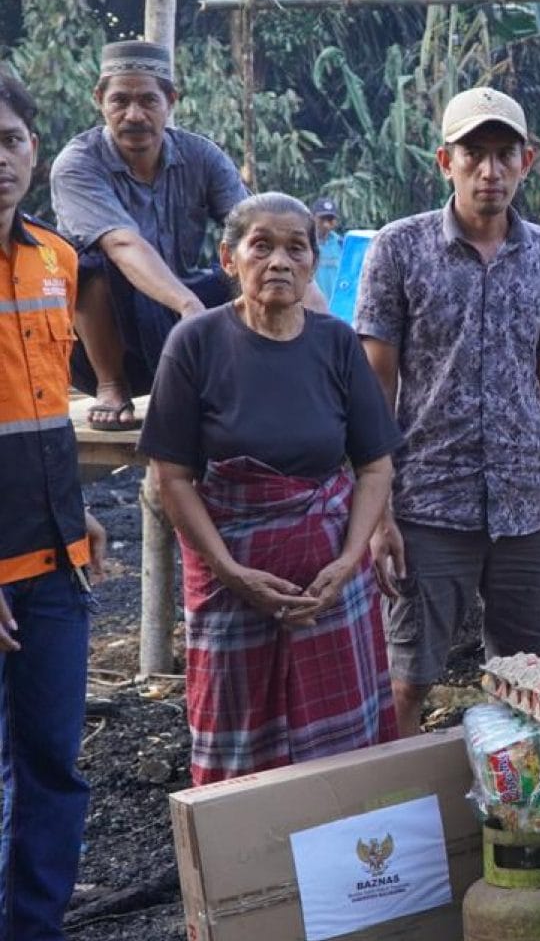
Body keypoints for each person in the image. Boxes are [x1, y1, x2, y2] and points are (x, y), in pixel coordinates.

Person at [139, 193, 400, 784]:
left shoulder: (336, 343)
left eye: (295, 248)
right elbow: (173, 477)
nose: (279, 261)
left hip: (331, 588)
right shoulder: (195, 343)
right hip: (231, 585)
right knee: (237, 736)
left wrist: (347, 562)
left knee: (342, 744)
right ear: (228, 259)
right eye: (261, 246)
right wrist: (232, 573)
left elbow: (375, 466)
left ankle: (340, 842)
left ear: (313, 263)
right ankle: (246, 843)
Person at [356, 87, 540, 740]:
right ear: (445, 162)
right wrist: (378, 511)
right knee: (406, 678)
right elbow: (375, 385)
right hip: (428, 504)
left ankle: (520, 801)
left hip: (527, 505)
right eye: (473, 155)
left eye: (504, 155)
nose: (490, 171)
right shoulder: (399, 249)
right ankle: (395, 804)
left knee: (533, 681)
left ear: (526, 162)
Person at [0, 72, 135, 941]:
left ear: (34, 150)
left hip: (52, 562)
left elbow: (46, 408)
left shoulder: (55, 258)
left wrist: (71, 509)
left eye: (11, 140)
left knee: (53, 760)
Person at [49, 40, 324, 432]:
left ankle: (280, 379)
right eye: (120, 101)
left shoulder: (202, 156)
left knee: (259, 263)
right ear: (99, 100)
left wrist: (320, 324)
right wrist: (188, 306)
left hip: (180, 314)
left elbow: (259, 230)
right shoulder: (77, 163)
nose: (134, 115)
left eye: (148, 101)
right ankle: (112, 386)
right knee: (86, 263)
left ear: (171, 101)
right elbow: (122, 243)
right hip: (109, 334)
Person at [311, 195, 343, 305]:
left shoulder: (341, 244)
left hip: (337, 308)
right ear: (313, 218)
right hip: (312, 307)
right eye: (322, 219)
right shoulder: (305, 244)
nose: (326, 224)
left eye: (330, 220)